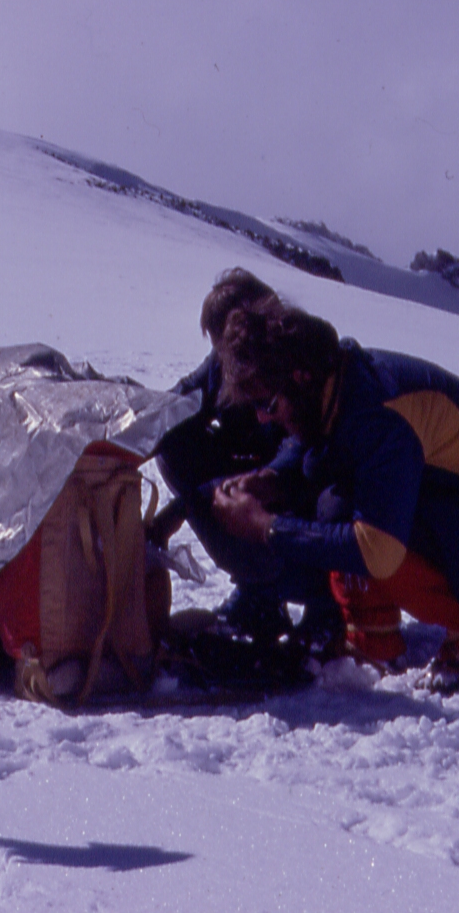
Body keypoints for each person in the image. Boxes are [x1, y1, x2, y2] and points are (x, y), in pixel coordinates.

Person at [209, 300, 459, 692]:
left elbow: (377, 551)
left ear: (300, 377)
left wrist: (267, 528)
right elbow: (316, 448)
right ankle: (374, 639)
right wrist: (273, 477)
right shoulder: (339, 383)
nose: (263, 417)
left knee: (357, 518)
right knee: (339, 500)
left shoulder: (378, 412)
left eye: (267, 404)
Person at [153, 269, 338, 645]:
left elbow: (299, 457)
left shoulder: (294, 370)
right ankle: (258, 594)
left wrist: (202, 500)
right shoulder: (223, 364)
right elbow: (180, 401)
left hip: (301, 497)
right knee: (173, 445)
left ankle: (322, 602)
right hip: (259, 475)